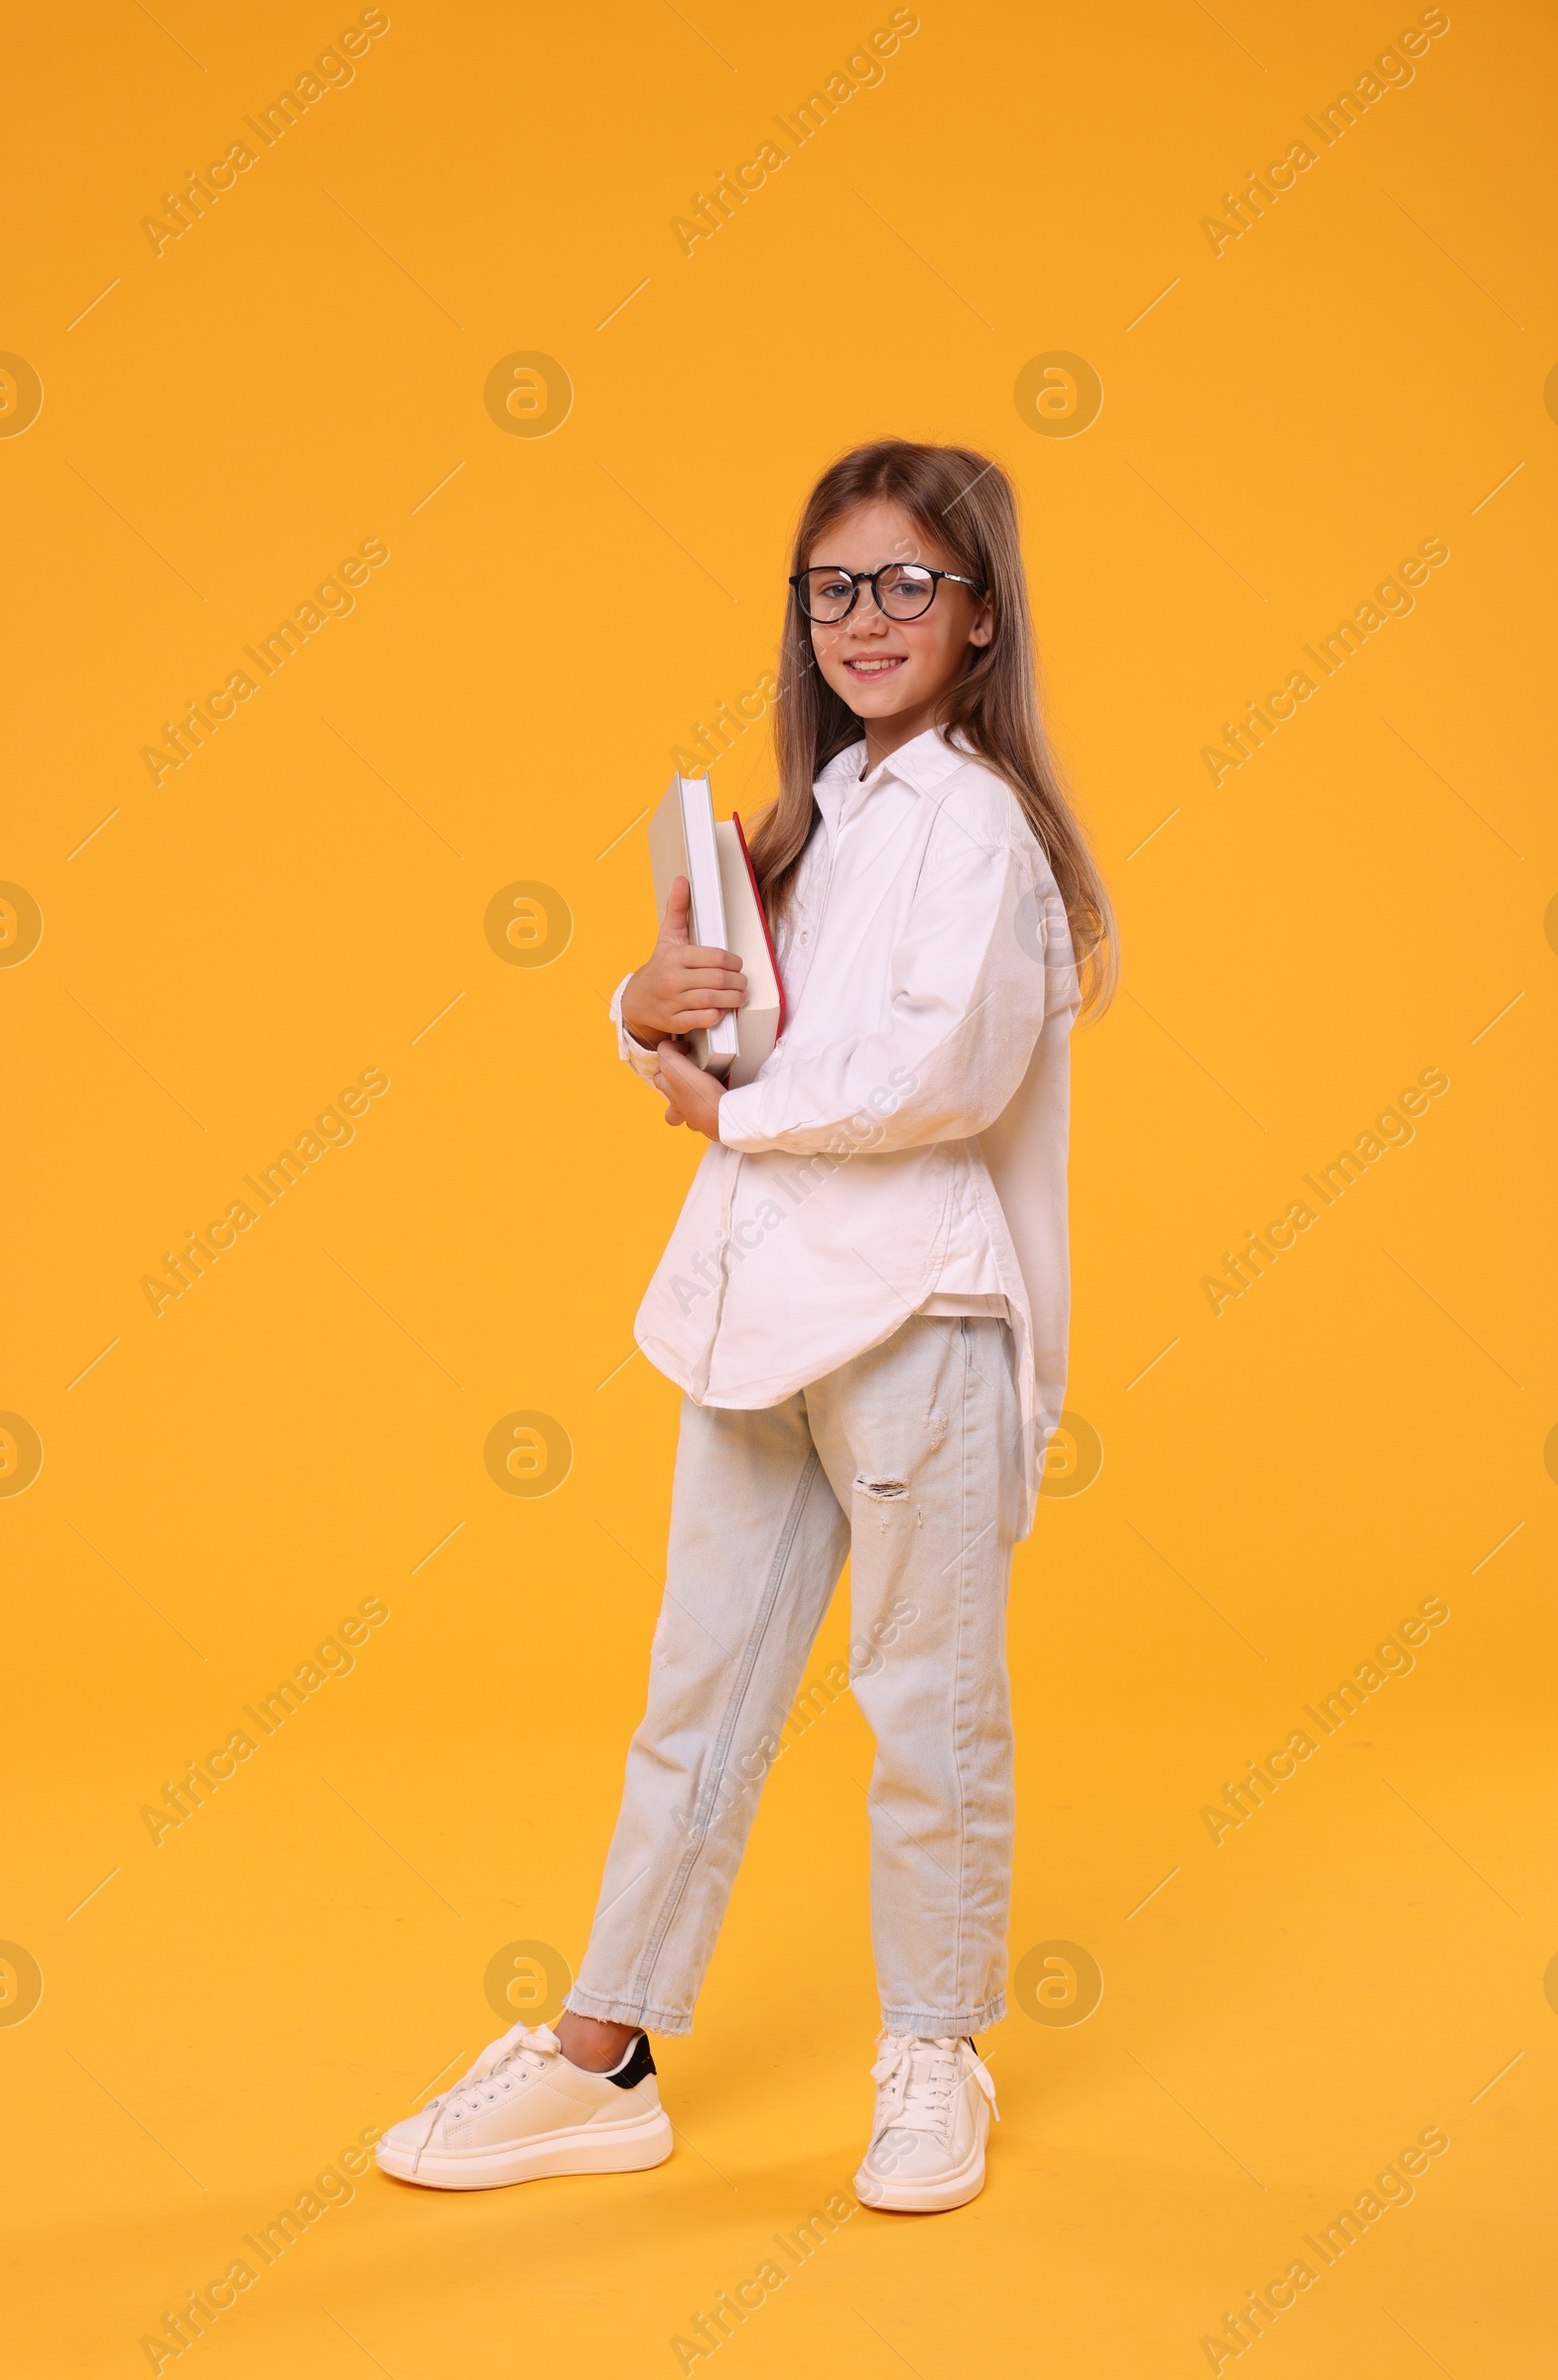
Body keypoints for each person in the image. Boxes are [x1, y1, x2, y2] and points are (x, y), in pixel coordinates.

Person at [376, 437, 1116, 2212]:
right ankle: (603, 2054)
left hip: (917, 1317)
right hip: (757, 1316)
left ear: (981, 614)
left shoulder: (983, 828)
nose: (867, 618)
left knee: (926, 1705)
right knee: (694, 1693)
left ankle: (935, 2052)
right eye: (835, 586)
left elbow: (944, 1074)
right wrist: (646, 1014)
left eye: (907, 585)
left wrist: (727, 1117)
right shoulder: (806, 822)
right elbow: (752, 1051)